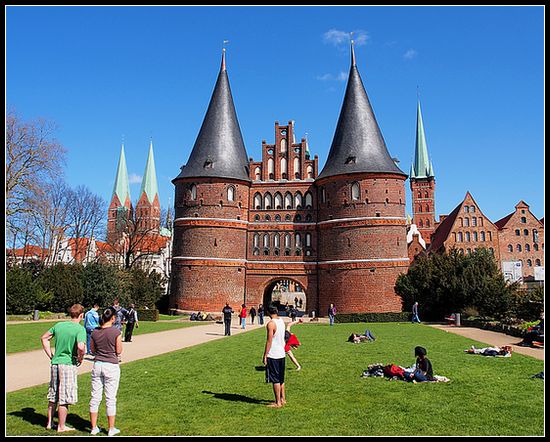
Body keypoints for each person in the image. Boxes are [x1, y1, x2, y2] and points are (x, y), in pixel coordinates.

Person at [40, 304, 86, 432]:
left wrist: (51, 355)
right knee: (64, 396)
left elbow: (44, 338)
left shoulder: (59, 325)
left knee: (53, 394)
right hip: (68, 364)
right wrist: (81, 357)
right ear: (81, 315)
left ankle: (50, 423)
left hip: (55, 363)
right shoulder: (79, 329)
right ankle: (61, 426)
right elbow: (81, 346)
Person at [89, 307, 123, 436]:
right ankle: (111, 428)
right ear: (113, 318)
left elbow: (92, 350)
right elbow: (119, 351)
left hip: (98, 364)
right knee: (110, 398)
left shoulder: (95, 332)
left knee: (95, 397)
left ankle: (93, 427)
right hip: (111, 365)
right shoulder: (116, 332)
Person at [263, 304, 287, 408]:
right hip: (282, 353)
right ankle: (283, 399)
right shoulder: (281, 321)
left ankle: (278, 402)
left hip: (274, 354)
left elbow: (269, 341)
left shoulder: (271, 324)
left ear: (268, 312)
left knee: (275, 379)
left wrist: (265, 354)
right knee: (281, 378)